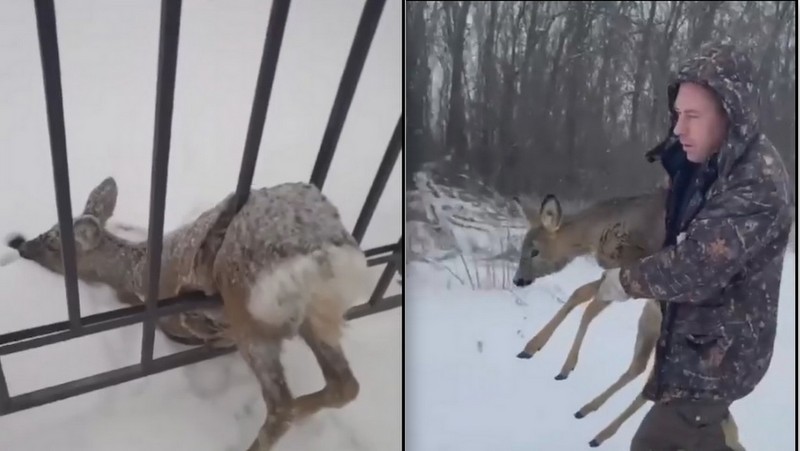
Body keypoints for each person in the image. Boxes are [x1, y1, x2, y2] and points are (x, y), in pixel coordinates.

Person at [595, 40, 794, 450]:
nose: (678, 129)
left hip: (713, 363)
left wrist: (626, 280)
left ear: (730, 114)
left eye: (692, 116)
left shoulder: (757, 181)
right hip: (695, 351)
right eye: (676, 115)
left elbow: (697, 265)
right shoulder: (711, 166)